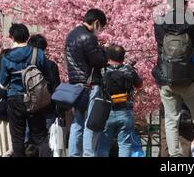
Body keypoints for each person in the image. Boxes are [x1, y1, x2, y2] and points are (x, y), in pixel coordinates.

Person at [153, 0, 194, 157]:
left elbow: (159, 44)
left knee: (171, 120)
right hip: (191, 77)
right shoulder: (191, 21)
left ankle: (175, 156)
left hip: (166, 77)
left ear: (170, 4)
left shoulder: (160, 22)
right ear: (185, 4)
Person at [0, 23, 51, 157]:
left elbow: (3, 84)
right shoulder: (37, 53)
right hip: (35, 98)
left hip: (15, 98)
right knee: (41, 137)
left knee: (17, 137)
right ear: (27, 37)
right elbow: (48, 76)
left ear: (11, 37)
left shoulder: (6, 56)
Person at [66, 9, 109, 157]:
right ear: (96, 23)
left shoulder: (71, 35)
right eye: (101, 27)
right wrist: (104, 51)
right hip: (89, 85)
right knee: (90, 123)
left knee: (77, 122)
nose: (100, 31)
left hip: (75, 86)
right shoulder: (89, 37)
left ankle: (73, 154)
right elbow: (99, 61)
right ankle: (89, 154)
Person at [97, 45, 142, 157]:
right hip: (125, 112)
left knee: (103, 144)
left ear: (109, 56)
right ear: (123, 56)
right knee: (125, 144)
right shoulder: (128, 69)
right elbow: (139, 85)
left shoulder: (102, 70)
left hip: (106, 112)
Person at [28, 34, 61, 129]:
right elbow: (56, 87)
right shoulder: (51, 65)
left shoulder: (23, 64)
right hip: (47, 107)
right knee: (44, 138)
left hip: (28, 106)